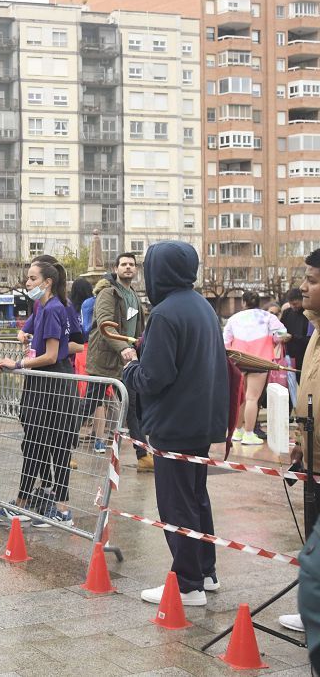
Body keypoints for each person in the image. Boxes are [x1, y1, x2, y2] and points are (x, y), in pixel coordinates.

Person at [122, 240, 229, 607]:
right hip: (202, 419)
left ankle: (187, 584)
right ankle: (205, 572)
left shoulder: (165, 313)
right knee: (196, 497)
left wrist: (130, 366)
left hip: (174, 422)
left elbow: (155, 377)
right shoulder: (202, 306)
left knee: (176, 504)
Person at [0, 260, 80, 527]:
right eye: (27, 278)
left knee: (56, 447)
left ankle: (60, 510)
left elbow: (53, 355)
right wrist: (25, 337)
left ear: (47, 282)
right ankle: (29, 502)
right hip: (41, 384)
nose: (27, 283)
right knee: (35, 444)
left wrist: (17, 364)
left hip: (54, 386)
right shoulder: (42, 307)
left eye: (32, 278)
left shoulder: (56, 308)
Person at [86, 253, 152, 469]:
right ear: (116, 268)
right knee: (89, 404)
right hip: (105, 360)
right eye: (123, 264)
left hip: (127, 360)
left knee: (133, 407)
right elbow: (106, 324)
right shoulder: (108, 293)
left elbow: (137, 329)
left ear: (136, 270)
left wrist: (139, 350)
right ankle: (63, 450)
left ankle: (143, 455)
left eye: (131, 265)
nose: (128, 267)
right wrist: (124, 347)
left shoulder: (133, 295)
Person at [292, 250, 320, 644]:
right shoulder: (315, 330)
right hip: (314, 455)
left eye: (312, 279)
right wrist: (301, 439)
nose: (303, 286)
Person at [224, 290, 292, 446]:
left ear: (243, 302)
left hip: (239, 361)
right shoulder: (268, 317)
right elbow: (281, 334)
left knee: (241, 398)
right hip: (260, 361)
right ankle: (249, 434)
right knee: (252, 398)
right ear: (258, 302)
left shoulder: (234, 318)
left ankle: (238, 431)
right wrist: (275, 340)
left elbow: (225, 341)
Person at [283, 288, 310, 373]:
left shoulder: (309, 314)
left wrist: (292, 337)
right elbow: (280, 329)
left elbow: (310, 339)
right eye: (290, 304)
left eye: (295, 304)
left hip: (305, 356)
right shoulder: (287, 312)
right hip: (289, 355)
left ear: (302, 300)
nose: (292, 306)